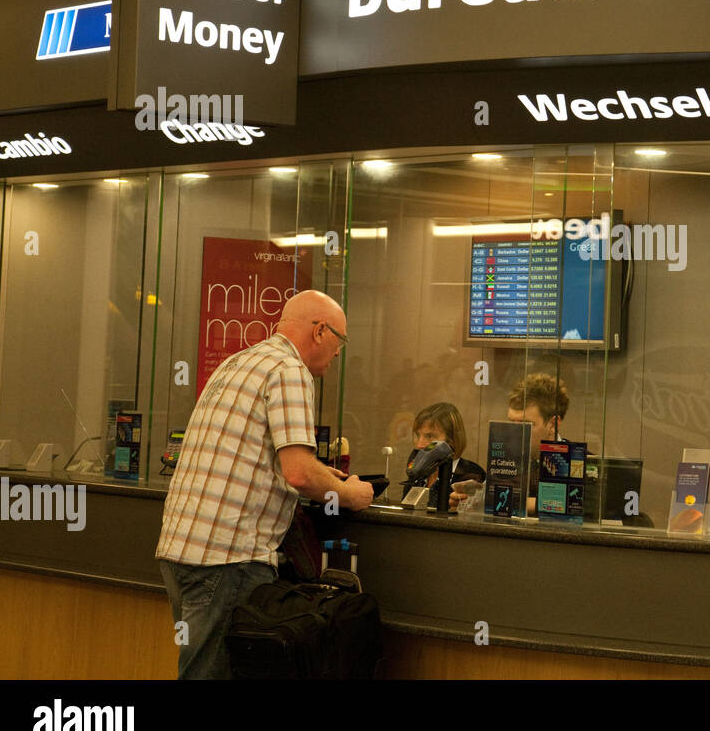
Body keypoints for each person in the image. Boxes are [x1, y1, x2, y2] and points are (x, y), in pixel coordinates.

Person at [156, 289, 373, 679]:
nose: (339, 353)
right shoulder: (290, 371)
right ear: (320, 331)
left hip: (182, 550)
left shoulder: (237, 363)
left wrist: (322, 472)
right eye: (340, 341)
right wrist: (349, 493)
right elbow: (298, 473)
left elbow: (265, 455)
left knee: (201, 668)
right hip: (228, 557)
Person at [450, 372, 569, 515]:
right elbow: (488, 502)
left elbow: (571, 507)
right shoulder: (507, 460)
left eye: (525, 425)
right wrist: (467, 501)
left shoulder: (576, 461)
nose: (514, 433)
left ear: (552, 424)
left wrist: (513, 502)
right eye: (512, 423)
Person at [400, 401, 484, 501]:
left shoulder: (471, 474)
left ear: (452, 440)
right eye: (418, 435)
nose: (419, 445)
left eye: (429, 436)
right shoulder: (420, 473)